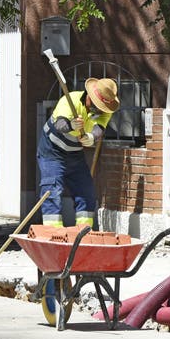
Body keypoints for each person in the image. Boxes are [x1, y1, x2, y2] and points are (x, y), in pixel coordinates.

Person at [37, 77, 120, 228]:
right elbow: (60, 124)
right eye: (98, 106)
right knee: (52, 190)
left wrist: (91, 136)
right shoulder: (70, 100)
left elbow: (100, 127)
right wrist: (71, 125)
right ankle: (53, 232)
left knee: (86, 191)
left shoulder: (107, 106)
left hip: (75, 153)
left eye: (103, 108)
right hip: (52, 151)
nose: (101, 110)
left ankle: (84, 232)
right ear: (90, 97)